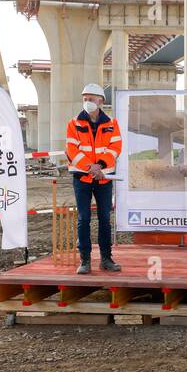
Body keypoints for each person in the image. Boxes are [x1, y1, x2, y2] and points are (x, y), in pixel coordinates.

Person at [65, 83, 122, 274]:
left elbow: (115, 148)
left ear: (101, 101)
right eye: (85, 99)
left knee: (105, 219)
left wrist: (100, 166)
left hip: (104, 179)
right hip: (82, 178)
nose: (88, 102)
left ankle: (106, 259)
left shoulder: (112, 123)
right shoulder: (74, 123)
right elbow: (72, 150)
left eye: (91, 98)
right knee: (84, 219)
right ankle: (85, 260)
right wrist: (91, 167)